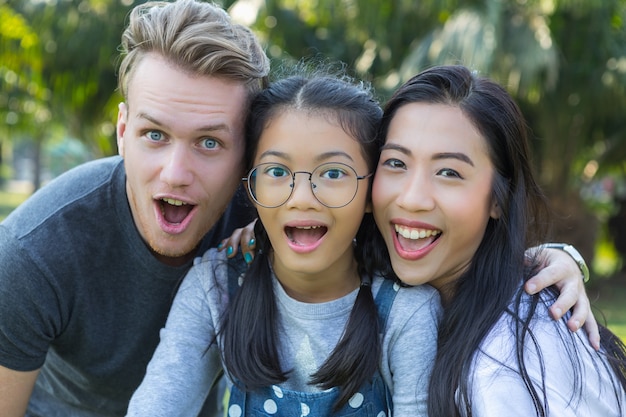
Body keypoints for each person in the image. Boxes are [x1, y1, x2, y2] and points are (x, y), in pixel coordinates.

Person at [0, 1, 268, 416]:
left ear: (247, 156)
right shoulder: (31, 253)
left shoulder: (271, 220)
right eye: (155, 134)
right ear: (123, 133)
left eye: (209, 142)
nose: (176, 173)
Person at [126, 66, 442, 416]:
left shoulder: (406, 312)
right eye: (277, 172)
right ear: (251, 186)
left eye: (333, 173)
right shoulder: (218, 286)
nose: (302, 198)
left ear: (371, 191)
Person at [370, 64, 626, 416]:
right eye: (396, 163)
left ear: (497, 200)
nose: (412, 198)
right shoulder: (381, 295)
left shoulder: (507, 364)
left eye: (449, 172)